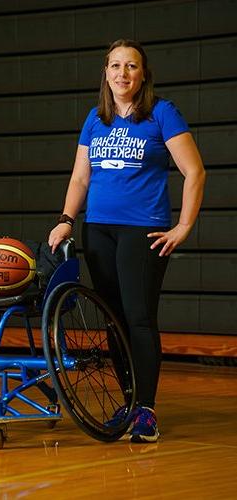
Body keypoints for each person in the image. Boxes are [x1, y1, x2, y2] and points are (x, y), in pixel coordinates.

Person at [48, 39, 205, 443]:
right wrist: (67, 220)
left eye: (131, 66)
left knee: (138, 318)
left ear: (143, 74)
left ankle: (147, 411)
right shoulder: (95, 119)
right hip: (98, 229)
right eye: (115, 66)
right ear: (106, 73)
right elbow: (81, 177)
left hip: (143, 231)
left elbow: (195, 172)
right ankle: (131, 402)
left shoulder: (161, 113)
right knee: (114, 322)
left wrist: (184, 226)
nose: (122, 73)